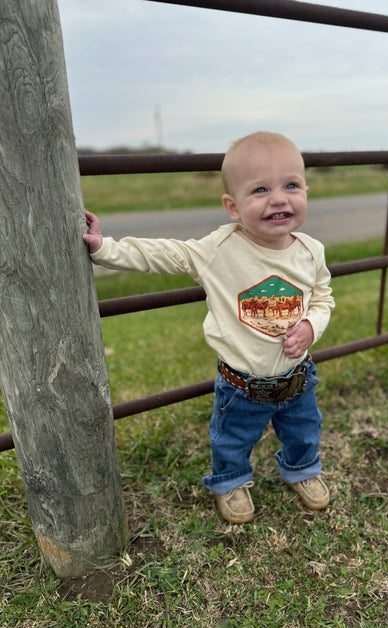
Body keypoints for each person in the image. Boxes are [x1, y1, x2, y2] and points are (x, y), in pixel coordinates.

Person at [84, 131, 335, 524]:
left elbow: (323, 297)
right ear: (232, 207)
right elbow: (166, 254)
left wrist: (310, 324)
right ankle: (231, 480)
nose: (279, 198)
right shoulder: (219, 250)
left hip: (297, 378)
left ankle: (302, 470)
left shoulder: (310, 251)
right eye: (260, 190)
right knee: (232, 439)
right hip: (241, 385)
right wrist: (105, 248)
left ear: (306, 190)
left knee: (305, 431)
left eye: (291, 185)